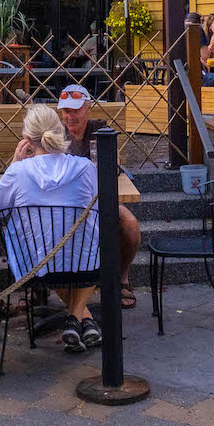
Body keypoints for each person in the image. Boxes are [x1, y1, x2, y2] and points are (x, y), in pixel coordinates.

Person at [0, 106, 102, 352]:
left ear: (27, 140)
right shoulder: (84, 167)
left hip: (35, 265)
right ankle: (80, 318)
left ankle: (77, 319)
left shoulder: (18, 171)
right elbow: (98, 206)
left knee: (51, 251)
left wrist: (15, 164)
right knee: (80, 248)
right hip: (84, 264)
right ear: (60, 131)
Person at [55, 85, 140, 310]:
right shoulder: (54, 134)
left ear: (88, 110)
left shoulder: (101, 130)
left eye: (75, 110)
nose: (69, 116)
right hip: (63, 205)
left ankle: (121, 278)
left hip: (97, 201)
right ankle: (40, 286)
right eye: (66, 111)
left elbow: (114, 166)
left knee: (129, 224)